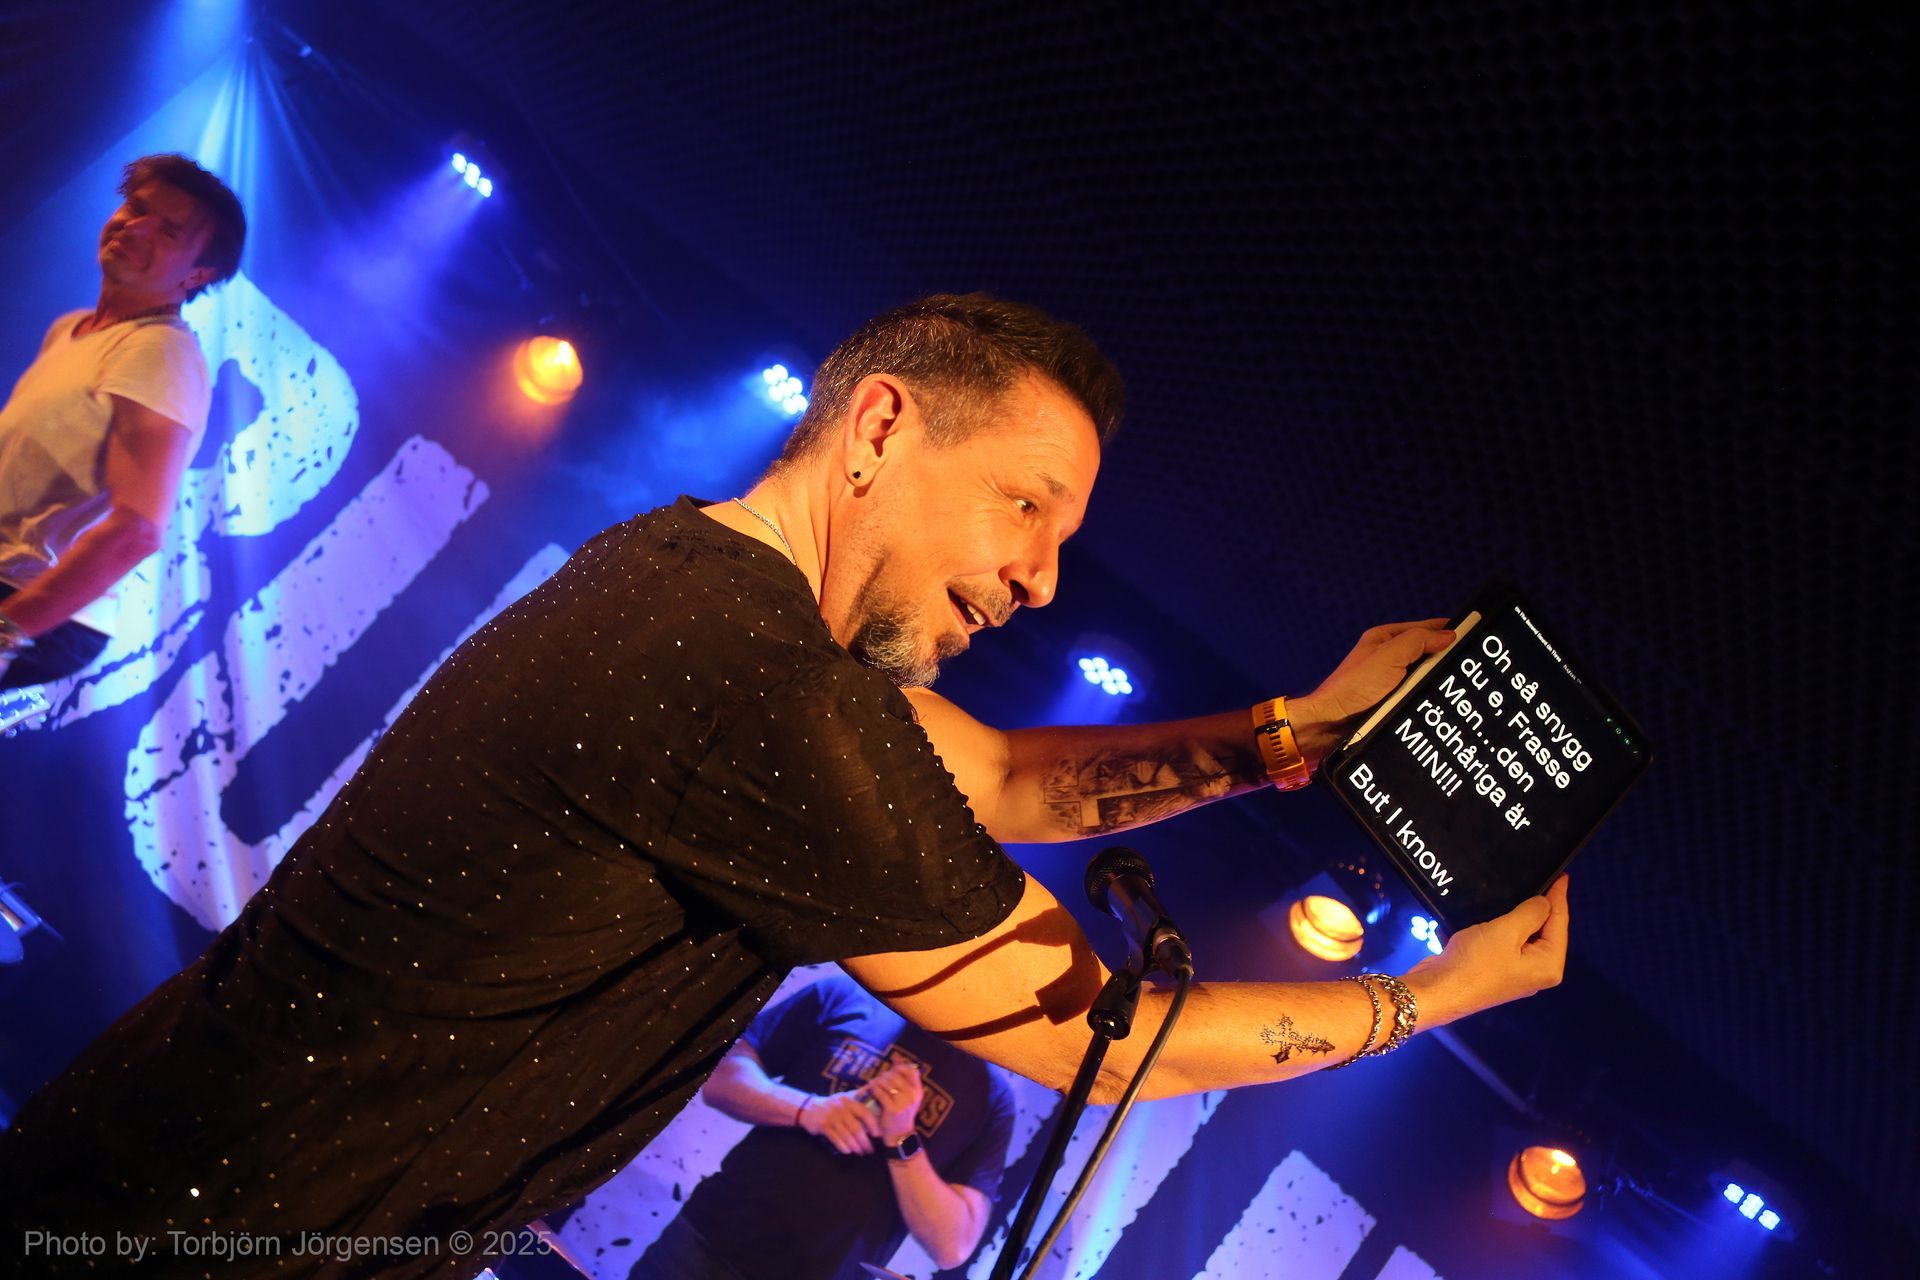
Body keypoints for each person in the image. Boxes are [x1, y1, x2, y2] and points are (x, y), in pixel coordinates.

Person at [0, 294, 1568, 1278]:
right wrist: (1443, 994)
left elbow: (1005, 773)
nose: (1041, 577)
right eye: (1027, 506)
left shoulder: (701, 586)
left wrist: (1294, 732)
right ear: (880, 424)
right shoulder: (761, 696)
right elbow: (1103, 1040)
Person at [0, 153, 245, 689]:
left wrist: (6, 631)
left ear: (198, 275)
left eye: (168, 230)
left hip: (30, 602)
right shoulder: (72, 329)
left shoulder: (159, 353)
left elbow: (136, 529)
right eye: (135, 208)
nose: (135, 227)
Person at [630, 973, 1016, 1280]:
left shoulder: (993, 1096)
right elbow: (719, 1079)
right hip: (706, 1242)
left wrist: (901, 1138)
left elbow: (952, 1246)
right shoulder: (845, 994)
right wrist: (810, 1110)